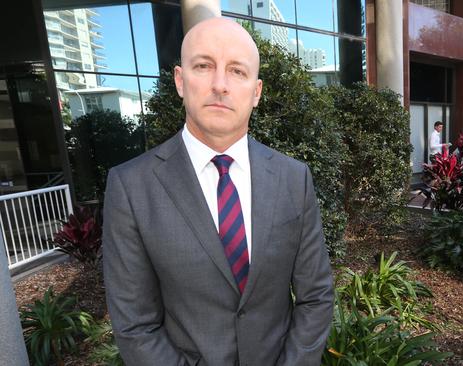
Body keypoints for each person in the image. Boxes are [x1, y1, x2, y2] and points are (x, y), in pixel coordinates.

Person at [102, 17, 334, 366]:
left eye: (237, 71)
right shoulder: (131, 187)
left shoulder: (293, 178)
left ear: (256, 93)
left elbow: (316, 297)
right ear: (181, 81)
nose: (220, 85)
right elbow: (135, 326)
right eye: (204, 66)